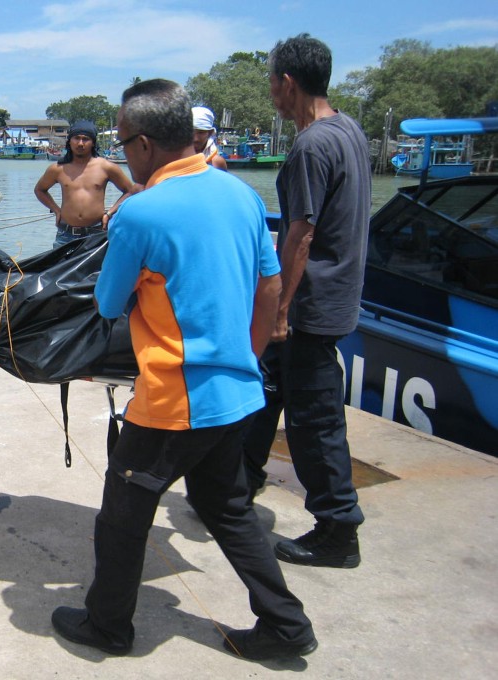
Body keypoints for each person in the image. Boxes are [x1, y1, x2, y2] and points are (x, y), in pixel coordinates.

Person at [51, 79, 316, 661]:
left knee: (122, 515)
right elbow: (268, 286)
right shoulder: (240, 195)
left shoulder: (141, 213)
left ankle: (108, 626)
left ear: (144, 144)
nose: (120, 154)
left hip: (177, 399)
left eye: (122, 144)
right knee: (227, 508)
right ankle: (286, 624)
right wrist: (247, 358)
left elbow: (107, 304)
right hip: (239, 392)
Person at [242, 33, 369, 569]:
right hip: (334, 297)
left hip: (310, 306)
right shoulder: (350, 131)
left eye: (272, 82)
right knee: (262, 393)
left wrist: (280, 310)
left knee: (314, 422)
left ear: (287, 83)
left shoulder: (312, 145)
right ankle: (235, 487)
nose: (271, 92)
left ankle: (338, 529)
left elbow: (302, 235)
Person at [33, 120, 137, 248]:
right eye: (76, 138)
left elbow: (131, 191)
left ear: (93, 142)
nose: (80, 143)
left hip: (95, 234)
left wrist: (110, 213)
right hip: (65, 235)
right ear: (69, 141)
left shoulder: (106, 167)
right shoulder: (58, 168)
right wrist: (56, 210)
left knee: (97, 269)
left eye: (85, 139)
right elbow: (40, 190)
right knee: (60, 268)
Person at [192, 106, 228, 170]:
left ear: (210, 133)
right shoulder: (175, 158)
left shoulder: (216, 163)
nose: (195, 139)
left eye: (201, 132)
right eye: (191, 132)